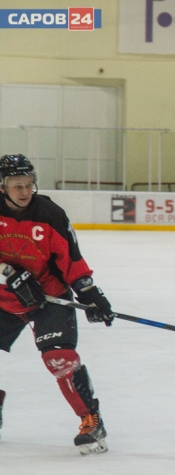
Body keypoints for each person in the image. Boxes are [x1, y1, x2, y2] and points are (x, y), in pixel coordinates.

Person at [0, 154, 114, 455]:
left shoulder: (50, 213)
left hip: (49, 295)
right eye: (16, 185)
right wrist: (7, 272)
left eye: (28, 184)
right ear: (2, 186)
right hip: (4, 298)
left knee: (59, 357)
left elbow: (71, 258)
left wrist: (90, 294)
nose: (24, 191)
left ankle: (91, 419)